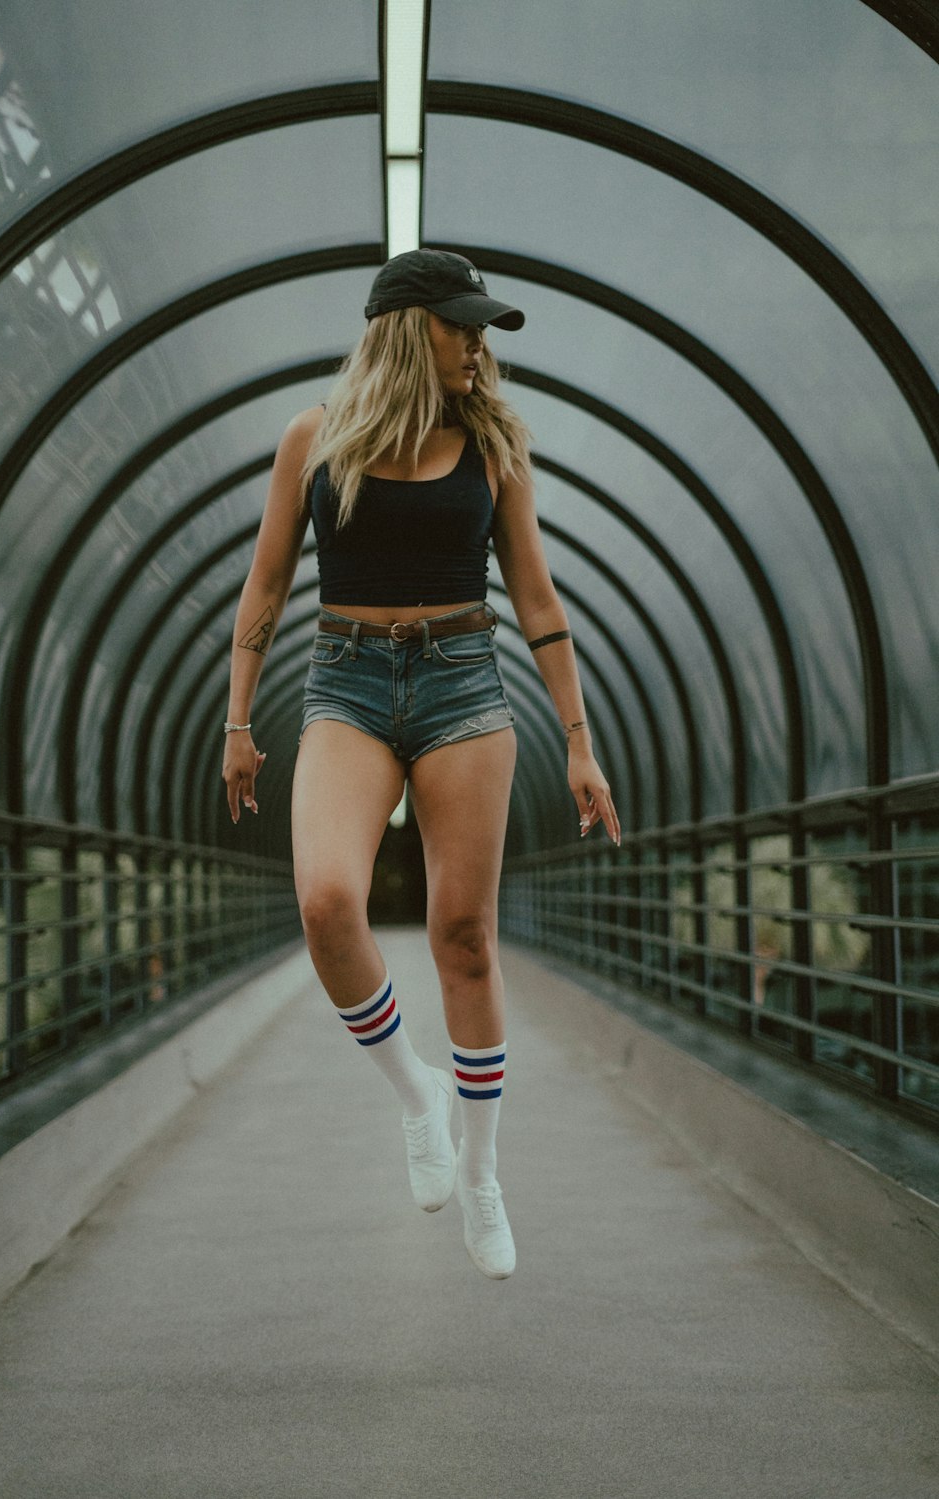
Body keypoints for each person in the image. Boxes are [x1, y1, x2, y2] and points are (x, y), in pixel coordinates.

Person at [222, 249, 621, 1279]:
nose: (478, 345)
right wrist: (236, 721)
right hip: (346, 683)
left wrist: (579, 744)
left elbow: (536, 599)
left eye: (482, 329)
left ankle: (482, 1172)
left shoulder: (494, 445)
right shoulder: (313, 440)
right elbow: (265, 589)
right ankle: (418, 1095)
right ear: (409, 331)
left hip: (463, 688)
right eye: (463, 327)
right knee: (324, 901)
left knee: (463, 935)